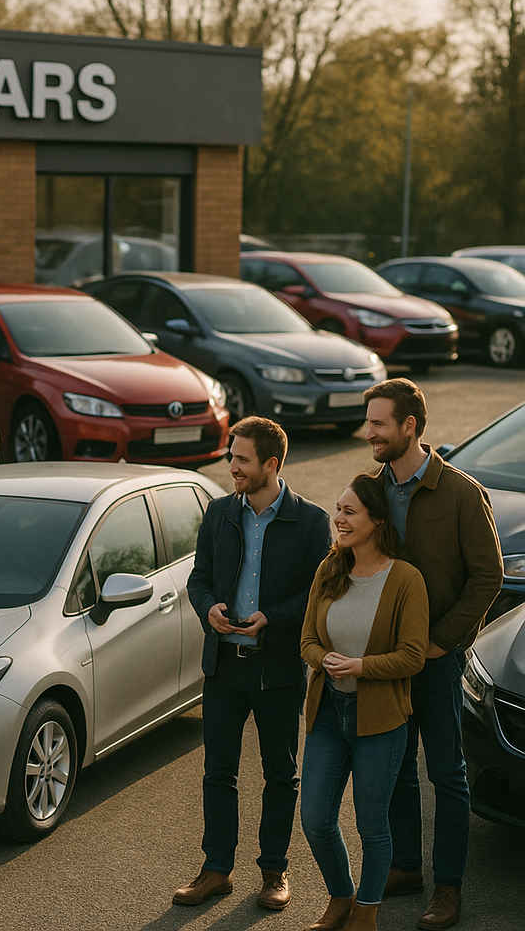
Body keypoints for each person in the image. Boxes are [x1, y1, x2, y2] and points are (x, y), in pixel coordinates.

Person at [175, 416, 332, 910]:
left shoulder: (311, 522)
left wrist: (273, 618)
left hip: (278, 670)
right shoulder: (219, 512)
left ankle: (273, 872)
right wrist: (210, 610)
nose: (231, 466)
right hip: (224, 666)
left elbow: (318, 594)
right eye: (231, 455)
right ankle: (216, 870)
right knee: (218, 773)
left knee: (279, 776)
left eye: (241, 459)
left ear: (272, 464)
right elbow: (198, 580)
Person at [363, 378, 502, 930]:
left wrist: (442, 642)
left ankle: (448, 887)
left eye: (378, 423)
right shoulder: (373, 490)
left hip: (438, 660)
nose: (368, 432)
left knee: (446, 774)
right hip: (387, 663)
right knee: (396, 768)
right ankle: (405, 866)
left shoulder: (463, 494)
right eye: (368, 422)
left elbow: (488, 577)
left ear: (409, 427)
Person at [301, 474, 430, 931]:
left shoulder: (405, 579)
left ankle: (366, 912)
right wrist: (326, 660)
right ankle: (341, 896)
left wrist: (361, 667)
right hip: (328, 716)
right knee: (315, 818)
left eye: (349, 511)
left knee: (373, 827)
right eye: (338, 508)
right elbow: (308, 640)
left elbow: (413, 656)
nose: (338, 518)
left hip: (380, 722)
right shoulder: (330, 569)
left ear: (377, 520)